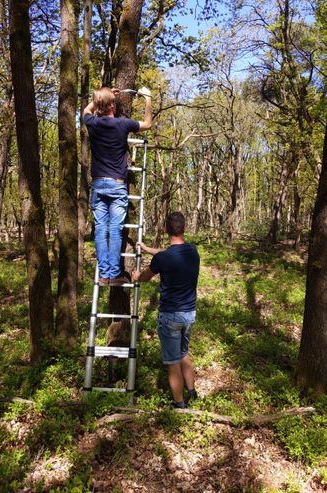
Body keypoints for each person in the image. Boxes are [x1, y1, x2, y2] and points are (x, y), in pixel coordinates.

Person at [83, 86, 152, 286]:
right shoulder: (122, 124)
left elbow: (86, 112)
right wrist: (148, 98)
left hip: (97, 184)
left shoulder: (92, 122)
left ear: (98, 106)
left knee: (100, 230)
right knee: (115, 230)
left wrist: (99, 98)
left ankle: (105, 275)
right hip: (117, 184)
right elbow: (147, 124)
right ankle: (114, 275)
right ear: (113, 105)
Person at [132, 212, 200, 408]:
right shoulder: (192, 252)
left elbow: (145, 276)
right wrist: (146, 249)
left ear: (165, 230)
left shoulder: (164, 258)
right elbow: (168, 252)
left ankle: (180, 405)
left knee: (172, 362)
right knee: (184, 354)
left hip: (170, 316)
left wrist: (136, 276)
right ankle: (192, 393)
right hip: (189, 314)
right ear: (184, 228)